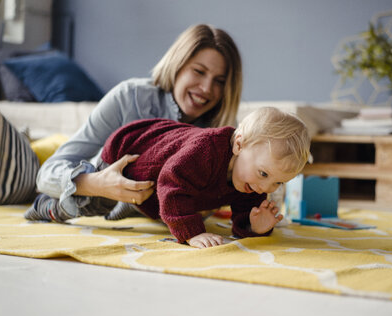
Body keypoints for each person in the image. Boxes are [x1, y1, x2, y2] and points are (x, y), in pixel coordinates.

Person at [35, 24, 243, 221]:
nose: (207, 88)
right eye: (198, 71)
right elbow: (46, 174)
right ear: (177, 64)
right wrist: (96, 184)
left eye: (219, 81)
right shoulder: (128, 98)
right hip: (83, 189)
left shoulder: (222, 132)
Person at [25, 107, 311, 248]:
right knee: (93, 205)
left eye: (277, 182)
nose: (265, 187)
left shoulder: (252, 179)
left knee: (147, 203)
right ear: (238, 144)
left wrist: (254, 225)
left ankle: (131, 209)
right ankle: (48, 206)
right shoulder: (206, 150)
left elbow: (241, 221)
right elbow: (171, 183)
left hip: (153, 188)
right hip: (128, 158)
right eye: (264, 174)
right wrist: (193, 233)